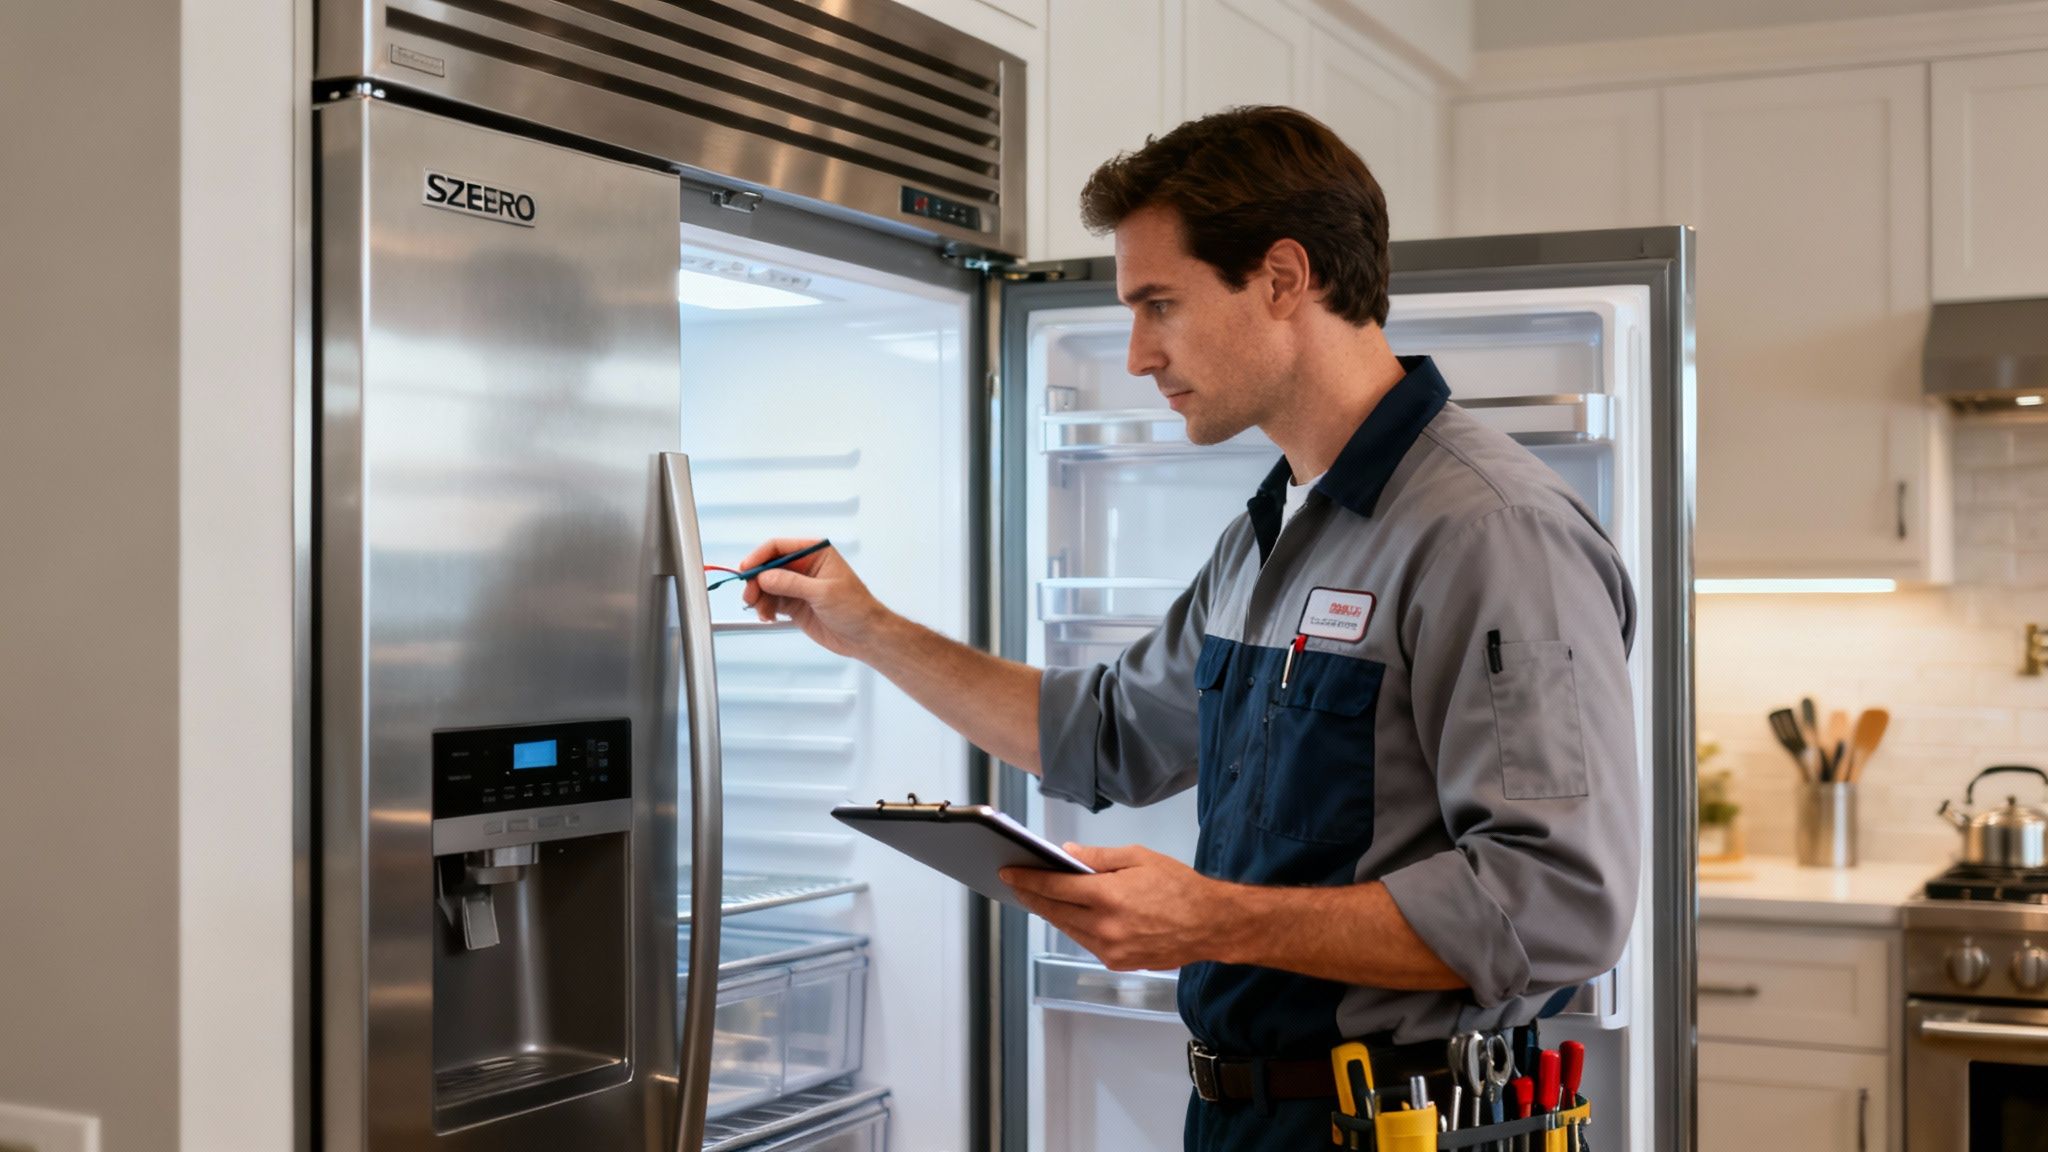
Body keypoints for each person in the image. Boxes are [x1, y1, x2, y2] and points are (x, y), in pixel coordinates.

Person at [738, 105, 1639, 1151]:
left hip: (1404, 1123)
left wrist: (1210, 917)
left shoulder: (1491, 533)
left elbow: (1555, 905)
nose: (1133, 354)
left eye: (1158, 304)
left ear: (1283, 279)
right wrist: (867, 628)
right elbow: (1102, 736)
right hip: (1240, 1118)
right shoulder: (1269, 533)